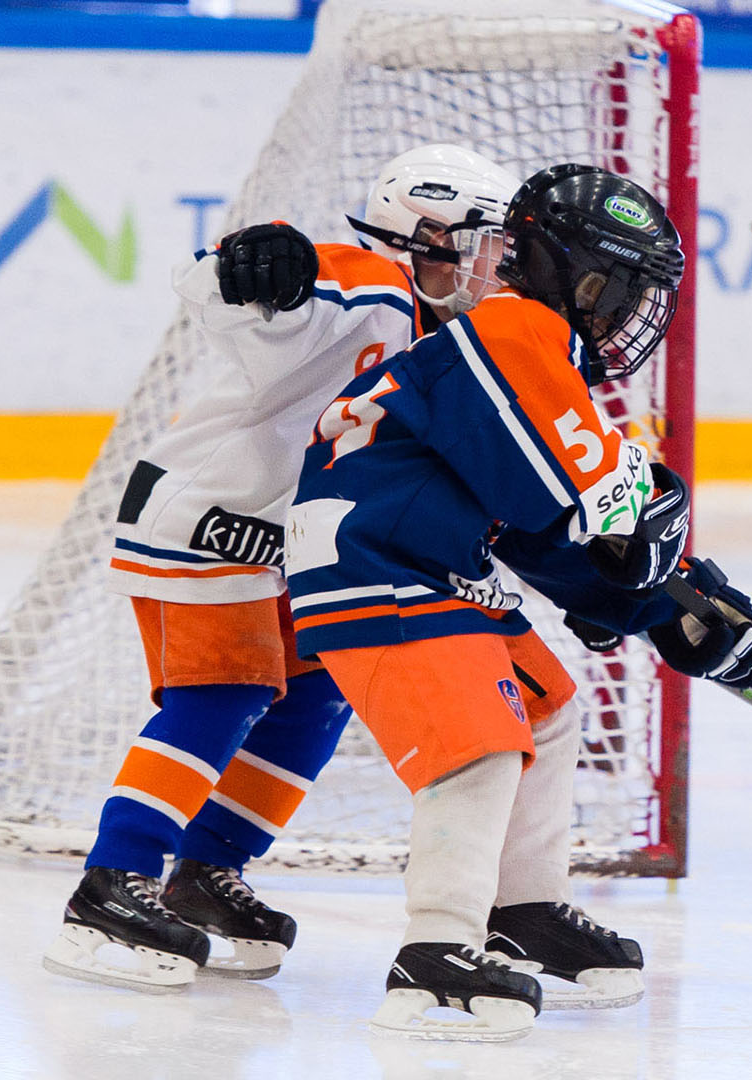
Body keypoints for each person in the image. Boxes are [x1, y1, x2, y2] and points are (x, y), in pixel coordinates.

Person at [285, 163, 752, 1040]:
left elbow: (540, 527)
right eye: (628, 290)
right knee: (480, 746)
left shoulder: (519, 354)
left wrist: (663, 608)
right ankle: (434, 952)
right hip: (378, 561)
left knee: (547, 712)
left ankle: (522, 912)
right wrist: (662, 564)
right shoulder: (512, 328)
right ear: (583, 277)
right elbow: (585, 495)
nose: (636, 315)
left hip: (428, 560)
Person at [47, 145, 519, 993]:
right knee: (224, 691)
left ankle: (205, 868)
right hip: (207, 518)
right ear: (430, 237)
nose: (495, 266)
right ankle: (114, 879)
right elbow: (229, 287)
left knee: (317, 693)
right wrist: (260, 262)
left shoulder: (448, 337)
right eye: (483, 243)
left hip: (290, 545)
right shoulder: (369, 282)